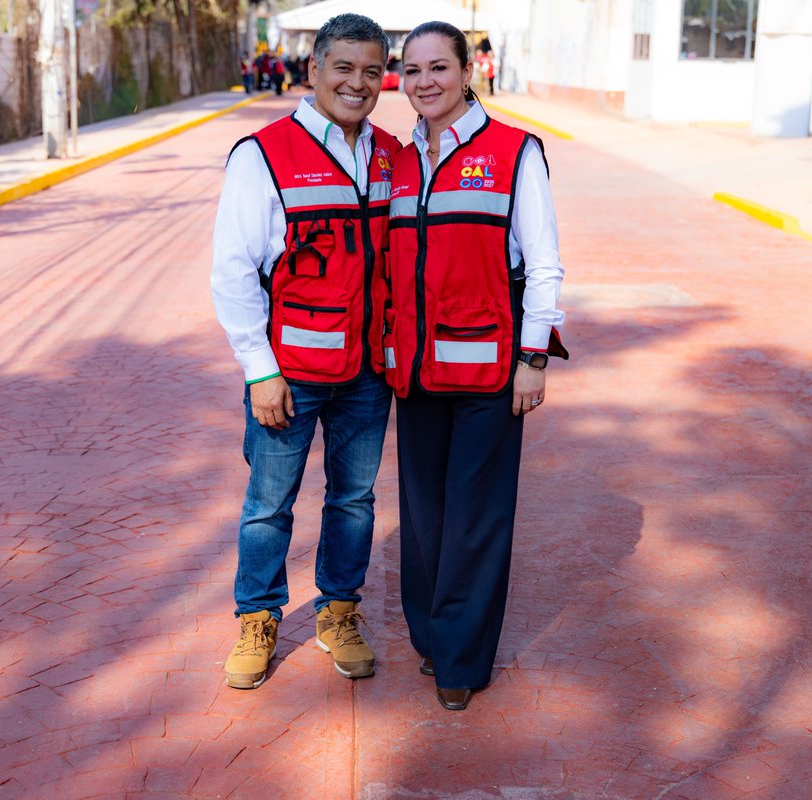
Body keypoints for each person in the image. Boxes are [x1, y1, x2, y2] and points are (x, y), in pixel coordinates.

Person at [211, 13, 399, 690]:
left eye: (373, 71)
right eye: (344, 68)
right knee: (269, 504)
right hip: (288, 372)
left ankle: (338, 613)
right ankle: (257, 619)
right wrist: (260, 371)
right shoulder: (262, 155)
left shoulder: (391, 158)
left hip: (368, 373)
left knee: (354, 500)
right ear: (313, 68)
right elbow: (232, 273)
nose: (358, 83)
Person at [383, 20, 566, 711]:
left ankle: (461, 659)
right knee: (425, 515)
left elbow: (543, 263)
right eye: (413, 69)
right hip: (416, 371)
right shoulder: (397, 163)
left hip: (491, 372)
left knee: (476, 516)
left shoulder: (515, 152)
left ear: (467, 71)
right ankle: (433, 638)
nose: (425, 81)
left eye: (439, 67)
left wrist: (534, 357)